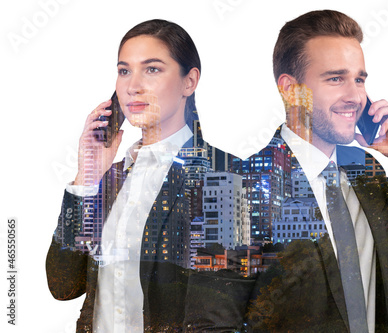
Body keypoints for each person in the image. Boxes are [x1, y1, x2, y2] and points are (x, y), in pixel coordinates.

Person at [244, 10, 388, 332]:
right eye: (335, 78)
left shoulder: (363, 168)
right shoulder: (242, 185)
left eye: (359, 79)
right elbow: (213, 318)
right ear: (291, 89)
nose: (355, 97)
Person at [46, 19, 251, 332]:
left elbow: (217, 320)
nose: (132, 86)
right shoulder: (110, 179)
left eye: (152, 69)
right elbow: (63, 286)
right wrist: (87, 177)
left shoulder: (224, 177)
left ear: (189, 81)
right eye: (124, 70)